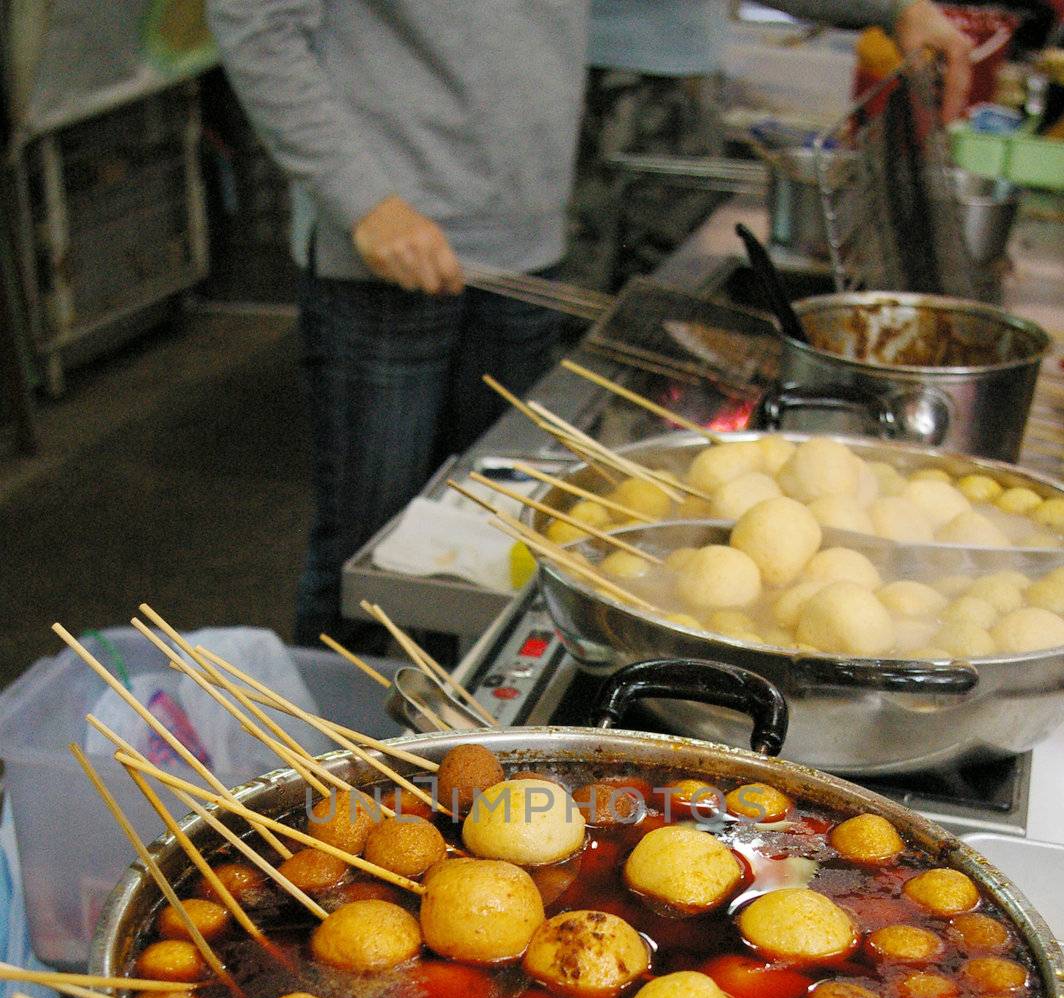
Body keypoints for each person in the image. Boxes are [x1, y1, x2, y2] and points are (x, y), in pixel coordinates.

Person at [207, 1, 591, 648]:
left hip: (529, 240)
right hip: (384, 255)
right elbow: (254, 19)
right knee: (365, 571)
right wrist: (363, 199)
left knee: (489, 562)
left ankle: (451, 746)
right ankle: (334, 748)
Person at [570, 0, 973, 288]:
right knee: (594, 300)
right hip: (611, 83)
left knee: (657, 292)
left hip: (656, 74)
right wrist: (896, 9)